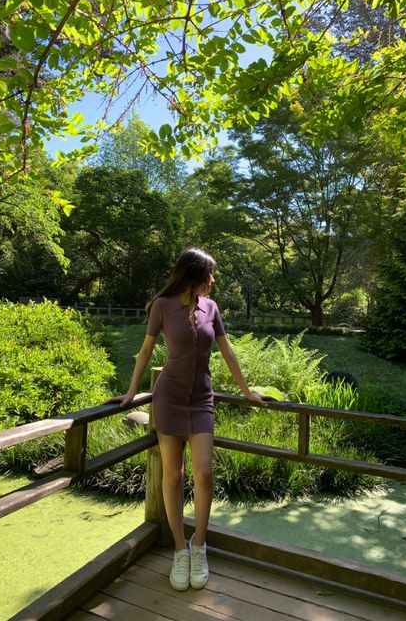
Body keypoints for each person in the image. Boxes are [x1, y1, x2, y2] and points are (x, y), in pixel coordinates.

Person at [117, 248, 267, 591]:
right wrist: (129, 394)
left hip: (202, 400)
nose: (213, 280)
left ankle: (199, 546)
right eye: (210, 274)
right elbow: (145, 351)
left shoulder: (211, 308)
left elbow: (227, 352)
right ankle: (179, 550)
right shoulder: (162, 306)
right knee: (173, 476)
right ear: (194, 273)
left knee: (204, 473)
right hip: (168, 397)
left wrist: (246, 392)